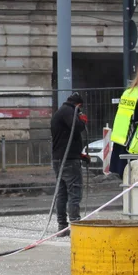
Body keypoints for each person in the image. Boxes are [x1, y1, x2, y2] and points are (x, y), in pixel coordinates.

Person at [49, 92, 88, 236]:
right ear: (78, 105)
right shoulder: (69, 112)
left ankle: (62, 226)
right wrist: (82, 121)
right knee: (74, 193)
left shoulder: (61, 112)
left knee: (62, 193)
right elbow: (75, 127)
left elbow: (66, 139)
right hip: (68, 161)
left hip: (60, 159)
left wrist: (80, 155)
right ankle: (75, 225)